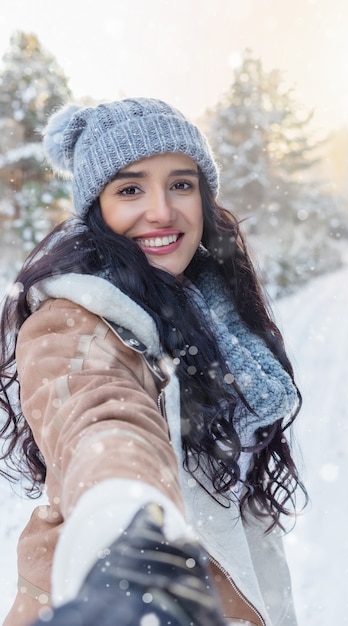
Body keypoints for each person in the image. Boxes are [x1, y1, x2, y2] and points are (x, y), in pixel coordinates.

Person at [0, 98, 306, 626]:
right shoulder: (74, 319)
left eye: (181, 185)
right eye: (131, 189)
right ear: (97, 208)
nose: (162, 212)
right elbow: (102, 425)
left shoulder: (211, 305)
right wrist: (130, 534)